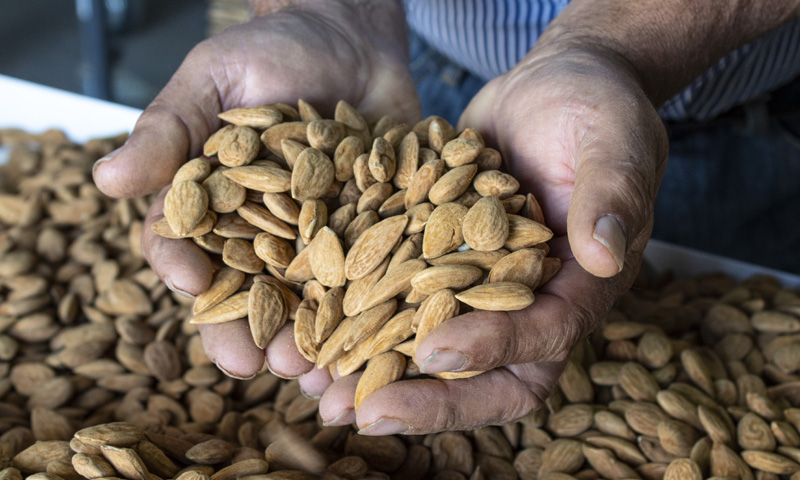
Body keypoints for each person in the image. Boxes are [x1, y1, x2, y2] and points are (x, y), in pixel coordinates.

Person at [93, 0, 800, 436]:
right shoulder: (349, 190)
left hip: (732, 112)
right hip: (408, 60)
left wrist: (614, 45)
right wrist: (326, 8)